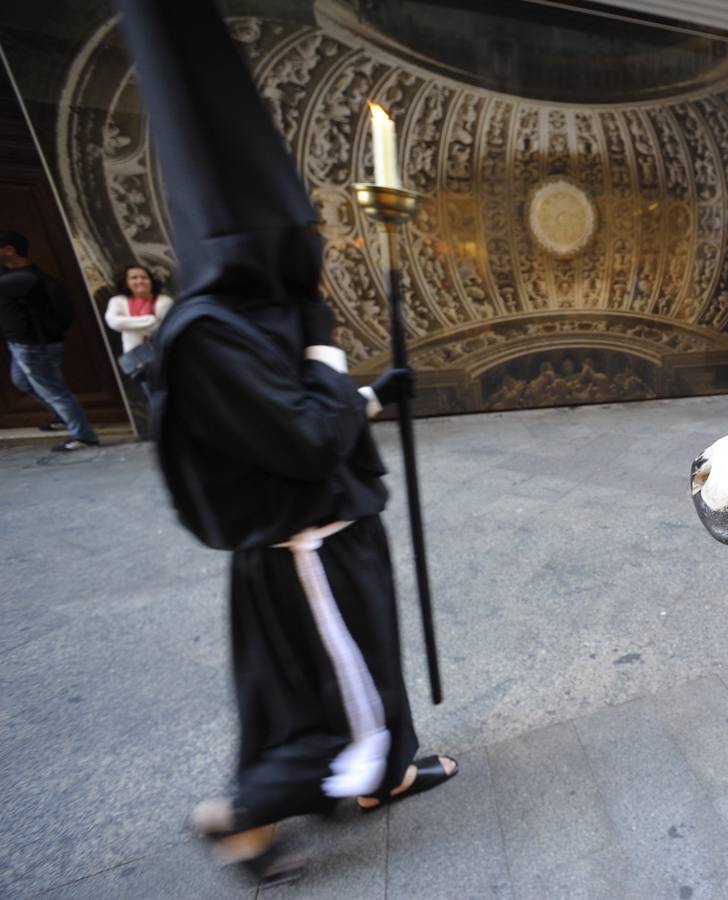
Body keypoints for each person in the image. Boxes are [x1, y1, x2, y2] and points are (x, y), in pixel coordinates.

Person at [114, 0, 455, 885]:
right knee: (341, 705)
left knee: (327, 685)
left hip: (322, 534)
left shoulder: (245, 318)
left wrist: (372, 397)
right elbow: (304, 435)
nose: (309, 244)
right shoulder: (210, 332)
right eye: (294, 232)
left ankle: (346, 781)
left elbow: (304, 417)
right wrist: (330, 354)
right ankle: (244, 813)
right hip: (307, 545)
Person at [0, 230, 100, 451]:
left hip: (33, 346)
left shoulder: (23, 279)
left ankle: (83, 436)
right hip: (20, 345)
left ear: (9, 250)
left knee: (54, 390)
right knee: (22, 382)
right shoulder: (14, 275)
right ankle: (63, 415)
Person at [104, 263, 173, 396]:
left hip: (165, 358)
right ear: (126, 282)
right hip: (140, 362)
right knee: (154, 397)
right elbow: (114, 323)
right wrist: (151, 319)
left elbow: (165, 328)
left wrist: (128, 323)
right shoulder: (118, 301)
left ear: (151, 281)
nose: (139, 281)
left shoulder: (164, 301)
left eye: (144, 277)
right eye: (134, 278)